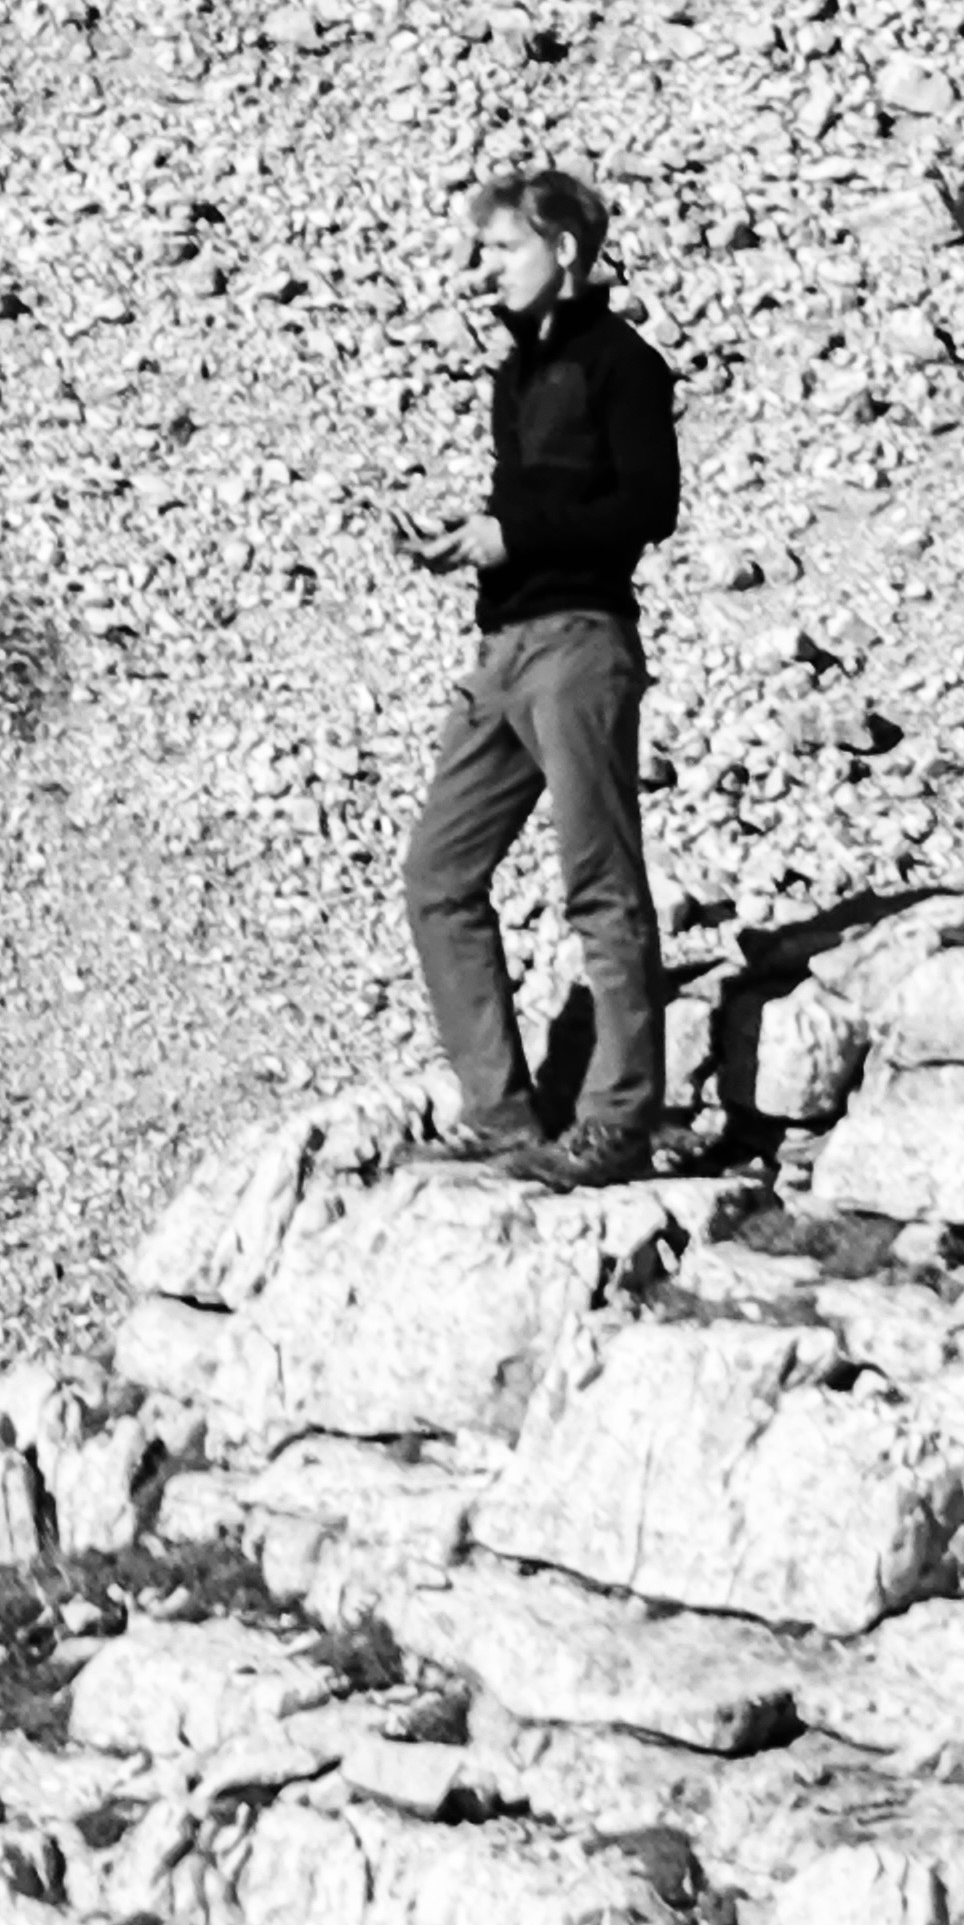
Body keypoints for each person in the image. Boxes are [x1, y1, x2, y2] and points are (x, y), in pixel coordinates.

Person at [403, 158, 680, 1183]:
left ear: (563, 250)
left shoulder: (624, 362)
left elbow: (647, 507)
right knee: (439, 873)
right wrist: (467, 539)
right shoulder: (516, 372)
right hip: (503, 647)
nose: (487, 268)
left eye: (504, 247)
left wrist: (510, 532)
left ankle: (621, 1112)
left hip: (578, 644)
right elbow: (525, 510)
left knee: (598, 881)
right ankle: (501, 1108)